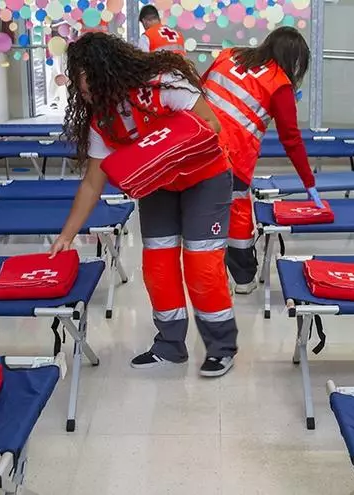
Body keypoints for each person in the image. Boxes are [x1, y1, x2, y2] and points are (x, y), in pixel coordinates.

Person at [50, 33, 238, 378]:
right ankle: (170, 345)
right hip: (159, 185)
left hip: (205, 178)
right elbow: (92, 183)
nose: (83, 92)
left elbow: (212, 125)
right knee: (158, 265)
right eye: (79, 85)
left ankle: (221, 348)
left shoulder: (164, 84)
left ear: (108, 72)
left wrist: (164, 150)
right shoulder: (102, 121)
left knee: (202, 265)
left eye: (87, 81)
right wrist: (66, 235)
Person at [201, 26, 321, 295]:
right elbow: (291, 139)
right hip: (231, 159)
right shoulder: (280, 84)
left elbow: (199, 89)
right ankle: (243, 279)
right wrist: (309, 182)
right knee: (237, 215)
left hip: (196, 146)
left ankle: (210, 277)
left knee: (201, 212)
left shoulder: (229, 55)